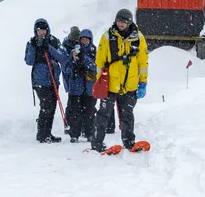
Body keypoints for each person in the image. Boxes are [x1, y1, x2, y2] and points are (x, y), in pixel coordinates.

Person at [91, 9, 148, 152]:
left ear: (129, 22)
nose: (121, 24)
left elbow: (143, 62)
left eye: (123, 21)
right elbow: (99, 61)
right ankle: (97, 143)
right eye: (119, 21)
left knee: (127, 115)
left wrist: (143, 82)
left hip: (130, 85)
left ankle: (129, 142)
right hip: (110, 85)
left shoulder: (139, 38)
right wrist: (100, 82)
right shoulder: (107, 37)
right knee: (103, 115)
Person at [24, 18, 68, 143]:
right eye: (39, 30)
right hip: (40, 80)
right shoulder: (31, 43)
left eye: (43, 30)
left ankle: (47, 133)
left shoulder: (53, 41)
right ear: (35, 31)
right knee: (46, 105)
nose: (41, 32)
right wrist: (34, 46)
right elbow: (29, 61)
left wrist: (48, 47)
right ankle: (41, 134)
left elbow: (63, 57)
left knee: (52, 106)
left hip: (53, 79)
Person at [62, 29, 98, 142]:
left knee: (89, 112)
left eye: (86, 39)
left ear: (90, 40)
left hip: (89, 88)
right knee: (75, 112)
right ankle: (74, 134)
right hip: (75, 88)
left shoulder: (94, 52)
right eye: (82, 39)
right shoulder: (73, 51)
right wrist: (73, 60)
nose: (84, 42)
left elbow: (95, 67)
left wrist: (84, 59)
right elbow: (66, 69)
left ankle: (90, 133)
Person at [60, 26, 81, 136]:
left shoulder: (80, 43)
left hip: (79, 76)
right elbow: (65, 65)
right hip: (70, 76)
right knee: (72, 102)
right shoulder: (65, 46)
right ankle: (67, 124)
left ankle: (78, 125)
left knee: (78, 102)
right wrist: (72, 59)